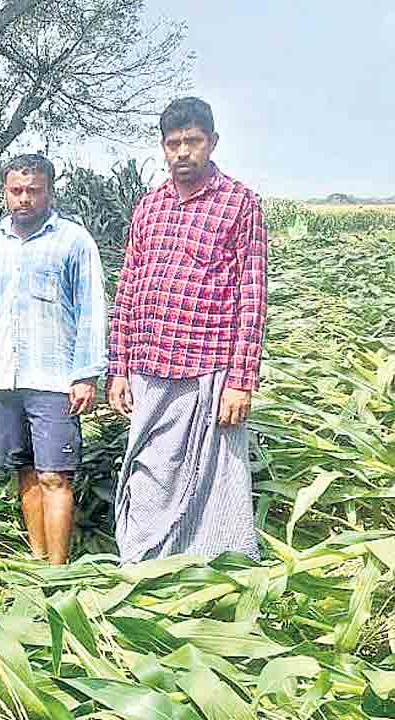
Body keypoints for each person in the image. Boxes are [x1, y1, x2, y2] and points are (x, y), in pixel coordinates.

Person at [107, 97, 268, 563]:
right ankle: (143, 563)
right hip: (150, 365)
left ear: (212, 143)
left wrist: (241, 381)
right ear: (163, 147)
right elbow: (129, 289)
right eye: (173, 143)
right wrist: (119, 369)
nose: (182, 152)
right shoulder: (149, 207)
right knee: (148, 470)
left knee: (215, 480)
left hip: (210, 369)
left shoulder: (240, 205)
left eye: (192, 142)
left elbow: (251, 296)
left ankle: (217, 568)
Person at [0, 154, 107, 565]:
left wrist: (86, 374)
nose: (24, 199)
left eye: (33, 191)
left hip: (54, 378)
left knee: (54, 475)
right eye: (16, 191)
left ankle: (57, 572)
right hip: (6, 380)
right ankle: (37, 561)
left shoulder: (73, 241)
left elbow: (91, 309)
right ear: (5, 192)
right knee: (24, 473)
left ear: (49, 191)